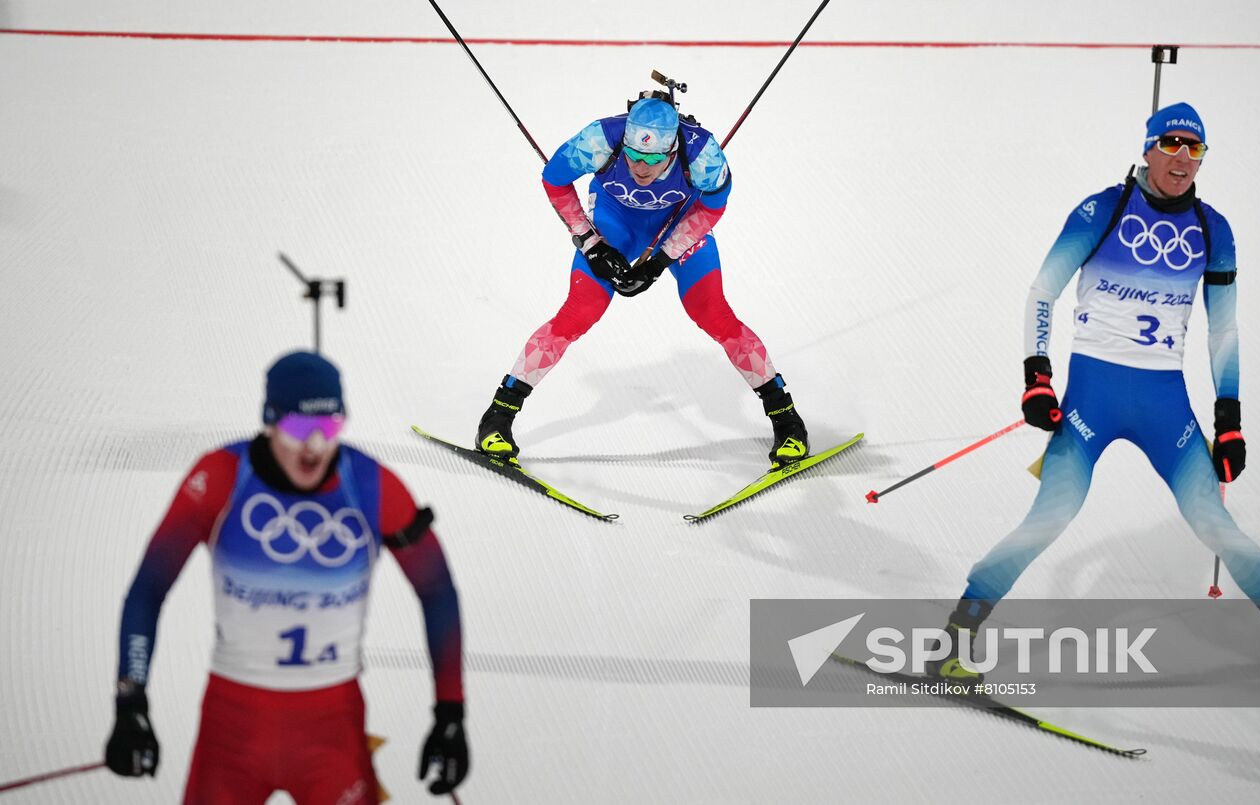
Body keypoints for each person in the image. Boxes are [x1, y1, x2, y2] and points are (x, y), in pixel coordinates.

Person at [937, 103, 1260, 692]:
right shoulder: (1103, 210)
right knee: (1051, 516)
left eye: (1195, 150)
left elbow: (1224, 331)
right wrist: (1036, 376)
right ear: (1147, 148)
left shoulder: (1214, 230)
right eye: (1172, 144)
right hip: (1092, 402)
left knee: (1213, 524)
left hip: (1166, 407)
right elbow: (1043, 291)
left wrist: (1230, 418)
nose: (1183, 160)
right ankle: (955, 640)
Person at [104, 351, 469, 802]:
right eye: (299, 428)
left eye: (331, 426)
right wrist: (130, 699)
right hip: (232, 729)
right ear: (270, 420)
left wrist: (450, 712)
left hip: (332, 730)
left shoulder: (371, 485)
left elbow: (436, 590)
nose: (315, 445)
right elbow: (148, 590)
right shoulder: (219, 478)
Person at [472, 92, 809, 469]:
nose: (641, 168)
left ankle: (787, 420)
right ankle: (498, 416)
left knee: (713, 314)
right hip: (616, 224)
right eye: (633, 156)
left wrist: (662, 258)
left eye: (652, 160)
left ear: (672, 149)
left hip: (677, 224)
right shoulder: (601, 139)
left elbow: (713, 205)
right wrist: (590, 241)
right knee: (579, 312)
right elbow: (554, 180)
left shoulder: (701, 153)